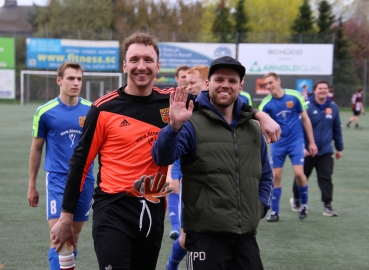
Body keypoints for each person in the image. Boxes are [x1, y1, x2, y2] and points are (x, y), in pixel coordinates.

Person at [50, 32, 281, 270]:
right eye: (135, 60)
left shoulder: (173, 101)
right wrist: (67, 215)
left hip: (153, 207)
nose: (142, 66)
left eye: (148, 60)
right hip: (113, 207)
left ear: (158, 66)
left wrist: (258, 114)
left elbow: (219, 96)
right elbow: (80, 163)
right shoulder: (103, 108)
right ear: (124, 65)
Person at [152, 56, 274, 270]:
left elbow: (265, 174)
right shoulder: (191, 123)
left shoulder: (253, 128)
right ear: (208, 84)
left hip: (245, 237)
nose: (225, 85)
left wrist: (260, 207)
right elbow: (162, 157)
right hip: (204, 237)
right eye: (219, 79)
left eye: (232, 80)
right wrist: (173, 126)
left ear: (240, 86)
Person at [27, 62, 95, 270]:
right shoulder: (45, 112)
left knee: (74, 235)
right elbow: (36, 149)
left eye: (79, 79)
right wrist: (32, 185)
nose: (76, 83)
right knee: (60, 238)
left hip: (86, 179)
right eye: (70, 78)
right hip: (58, 179)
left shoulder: (91, 110)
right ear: (59, 80)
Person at [259, 72, 318, 222]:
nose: (269, 86)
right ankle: (275, 212)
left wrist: (311, 142)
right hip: (278, 143)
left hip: (296, 141)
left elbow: (305, 119)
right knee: (276, 176)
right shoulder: (266, 103)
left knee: (299, 173)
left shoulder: (294, 96)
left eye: (271, 82)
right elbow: (260, 124)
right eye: (266, 84)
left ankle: (304, 205)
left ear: (278, 81)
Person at [166, 65, 209, 270]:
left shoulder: (229, 107)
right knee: (188, 237)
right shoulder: (181, 105)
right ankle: (172, 264)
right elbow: (168, 143)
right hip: (185, 167)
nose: (187, 85)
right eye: (185, 81)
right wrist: (169, 172)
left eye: (191, 82)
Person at [291, 80, 343, 216]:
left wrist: (339, 148)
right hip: (307, 150)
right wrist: (301, 146)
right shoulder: (306, 106)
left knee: (325, 177)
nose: (323, 90)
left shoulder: (333, 107)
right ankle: (296, 199)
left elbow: (337, 129)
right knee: (301, 175)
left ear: (328, 91)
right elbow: (298, 129)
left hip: (326, 150)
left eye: (325, 88)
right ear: (314, 91)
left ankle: (328, 206)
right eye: (320, 88)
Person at [168, 64, 191, 241]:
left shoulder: (196, 101)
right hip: (175, 153)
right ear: (177, 79)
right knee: (173, 187)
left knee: (189, 190)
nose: (185, 80)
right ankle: (175, 227)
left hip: (191, 153)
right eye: (182, 76)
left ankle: (184, 225)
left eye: (188, 77)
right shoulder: (168, 99)